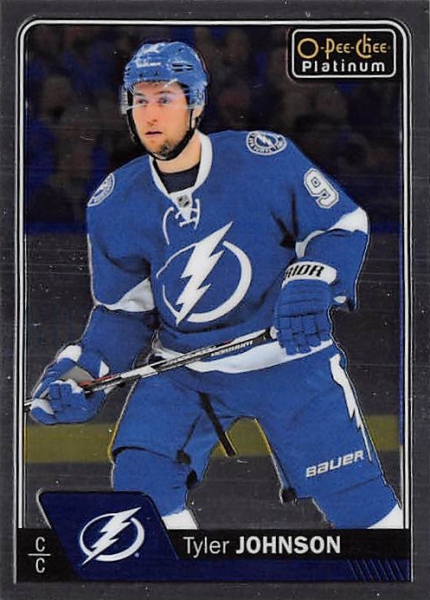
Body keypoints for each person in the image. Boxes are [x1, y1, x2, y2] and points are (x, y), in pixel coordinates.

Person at [29, 40, 402, 531]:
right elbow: (123, 314)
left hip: (288, 358)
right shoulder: (114, 203)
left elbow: (342, 225)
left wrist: (315, 276)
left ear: (197, 103)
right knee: (142, 481)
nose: (150, 113)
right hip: (188, 369)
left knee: (357, 504)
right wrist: (80, 374)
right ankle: (179, 572)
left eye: (165, 98)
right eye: (139, 100)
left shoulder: (262, 159)